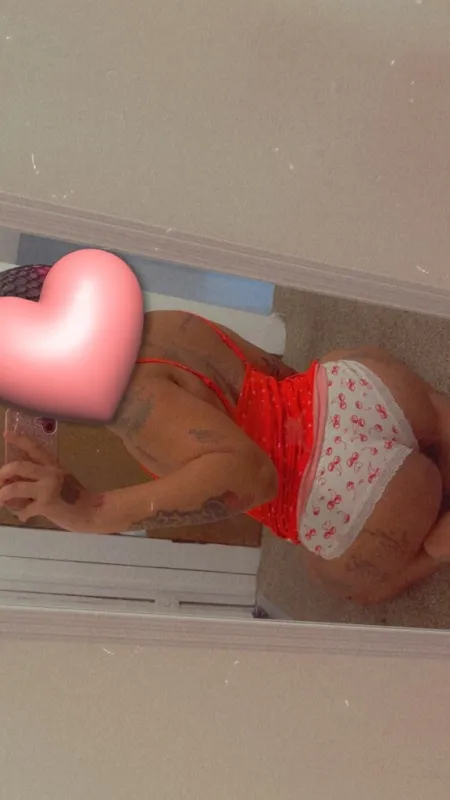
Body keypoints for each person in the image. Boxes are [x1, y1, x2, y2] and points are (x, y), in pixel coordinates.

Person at [0, 264, 449, 606]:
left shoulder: (130, 403)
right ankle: (434, 424)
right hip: (363, 391)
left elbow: (253, 477)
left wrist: (91, 512)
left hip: (356, 488)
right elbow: (275, 372)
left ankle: (436, 542)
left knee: (334, 578)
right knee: (331, 376)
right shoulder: (161, 323)